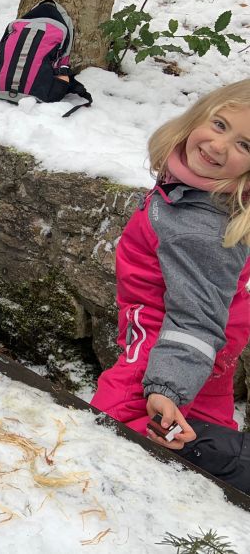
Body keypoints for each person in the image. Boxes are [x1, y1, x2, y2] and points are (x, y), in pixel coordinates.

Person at [91, 80, 250, 465]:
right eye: (219, 124)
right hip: (187, 358)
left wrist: (167, 387)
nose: (218, 146)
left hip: (163, 356)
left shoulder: (199, 229)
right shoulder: (197, 189)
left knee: (106, 440)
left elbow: (196, 319)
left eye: (244, 145)